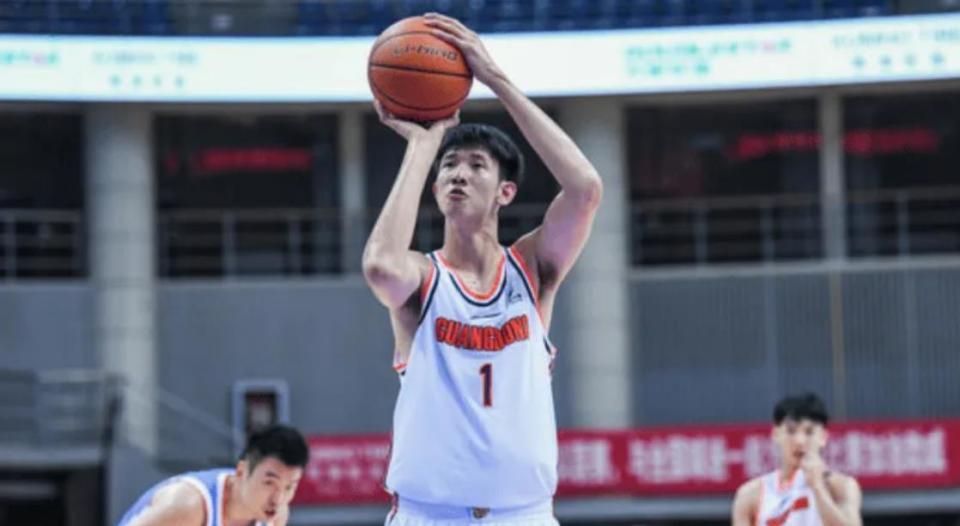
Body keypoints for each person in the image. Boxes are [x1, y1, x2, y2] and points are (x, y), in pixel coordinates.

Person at [362, 11, 603, 526]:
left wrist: (495, 78)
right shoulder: (423, 279)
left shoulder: (532, 270)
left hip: (525, 515)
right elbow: (379, 267)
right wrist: (424, 145)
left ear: (505, 192)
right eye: (450, 166)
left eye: (476, 166)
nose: (459, 174)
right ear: (434, 187)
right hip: (428, 515)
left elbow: (585, 189)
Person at [117, 424, 309, 526]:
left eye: (289, 486)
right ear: (241, 471)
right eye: (269, 483)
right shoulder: (186, 506)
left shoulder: (276, 516)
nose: (278, 499)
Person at [732, 393, 862, 526]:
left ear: (823, 437)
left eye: (809, 432)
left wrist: (817, 487)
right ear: (775, 434)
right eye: (791, 431)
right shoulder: (750, 494)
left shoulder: (841, 487)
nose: (799, 441)